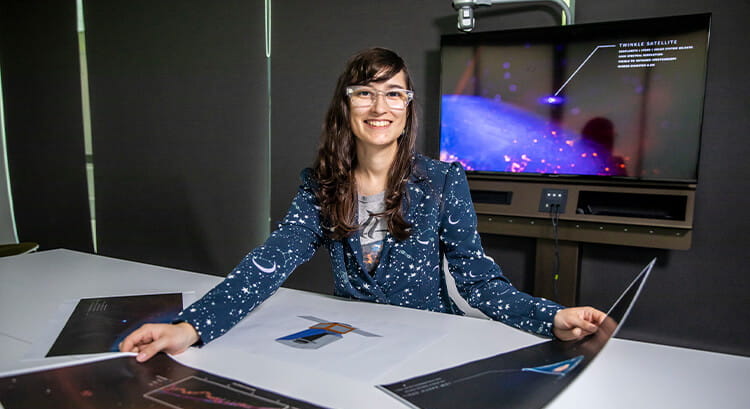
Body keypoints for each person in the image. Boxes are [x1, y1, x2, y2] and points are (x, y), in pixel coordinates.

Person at [120, 48, 606, 362]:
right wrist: (190, 328)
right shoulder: (320, 186)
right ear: (345, 106)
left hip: (429, 345)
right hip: (354, 345)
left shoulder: (441, 180)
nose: (380, 107)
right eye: (365, 94)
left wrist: (550, 317)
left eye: (394, 93)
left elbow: (478, 281)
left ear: (407, 106)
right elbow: (266, 266)